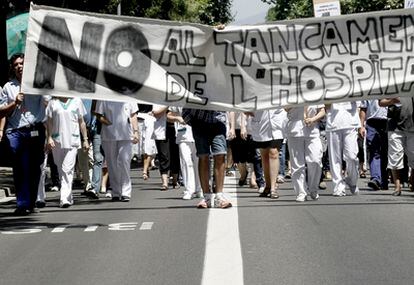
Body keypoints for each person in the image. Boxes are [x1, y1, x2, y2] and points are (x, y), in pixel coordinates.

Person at [0, 53, 47, 215]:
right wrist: (15, 102)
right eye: (16, 65)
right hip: (16, 132)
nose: (19, 66)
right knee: (20, 167)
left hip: (36, 130)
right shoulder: (8, 87)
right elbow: (1, 112)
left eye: (22, 63)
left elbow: (48, 101)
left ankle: (31, 203)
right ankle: (22, 204)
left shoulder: (38, 84)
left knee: (35, 168)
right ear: (13, 68)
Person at [182, 108, 232, 208]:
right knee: (203, 156)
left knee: (220, 156)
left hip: (218, 121)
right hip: (199, 121)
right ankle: (207, 197)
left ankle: (219, 197)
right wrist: (192, 121)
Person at [46, 96, 89, 207]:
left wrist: (85, 139)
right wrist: (49, 137)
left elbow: (81, 122)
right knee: (61, 169)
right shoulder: (53, 102)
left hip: (72, 140)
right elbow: (49, 121)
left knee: (67, 168)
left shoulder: (77, 100)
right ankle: (69, 196)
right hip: (57, 140)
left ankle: (64, 198)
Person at [95, 100, 139, 202]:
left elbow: (133, 115)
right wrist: (107, 122)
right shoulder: (104, 95)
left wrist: (136, 131)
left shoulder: (129, 94)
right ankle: (116, 191)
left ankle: (126, 192)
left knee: (124, 161)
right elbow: (98, 114)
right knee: (112, 164)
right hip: (108, 134)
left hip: (126, 134)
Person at [286, 105, 325, 202]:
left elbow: (322, 111)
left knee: (315, 160)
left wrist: (313, 119)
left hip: (312, 130)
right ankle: (301, 192)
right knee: (297, 164)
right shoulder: (291, 93)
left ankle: (313, 188)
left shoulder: (314, 92)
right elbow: (285, 108)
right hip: (295, 130)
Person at [248, 108, 287, 199]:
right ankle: (268, 186)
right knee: (264, 156)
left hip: (277, 123)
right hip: (261, 123)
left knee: (274, 153)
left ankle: (273, 188)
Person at [379, 97, 414, 196]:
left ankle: (412, 178)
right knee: (395, 156)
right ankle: (397, 186)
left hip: (411, 125)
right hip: (394, 126)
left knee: (413, 154)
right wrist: (392, 101)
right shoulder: (392, 85)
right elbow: (381, 102)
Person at [325, 102, 361, 196]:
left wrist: (360, 124)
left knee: (352, 156)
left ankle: (351, 180)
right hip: (333, 122)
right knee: (335, 158)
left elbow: (359, 104)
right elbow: (325, 105)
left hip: (351, 122)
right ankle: (338, 186)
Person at [168, 107, 203, 200]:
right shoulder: (179, 98)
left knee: (198, 162)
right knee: (186, 162)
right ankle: (189, 190)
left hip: (199, 134)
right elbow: (168, 115)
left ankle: (199, 189)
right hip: (183, 135)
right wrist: (178, 118)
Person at [359, 100, 389, 190]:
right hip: (372, 122)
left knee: (385, 151)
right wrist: (361, 126)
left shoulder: (389, 88)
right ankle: (376, 179)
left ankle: (384, 180)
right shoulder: (369, 89)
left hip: (387, 121)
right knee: (374, 151)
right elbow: (363, 108)